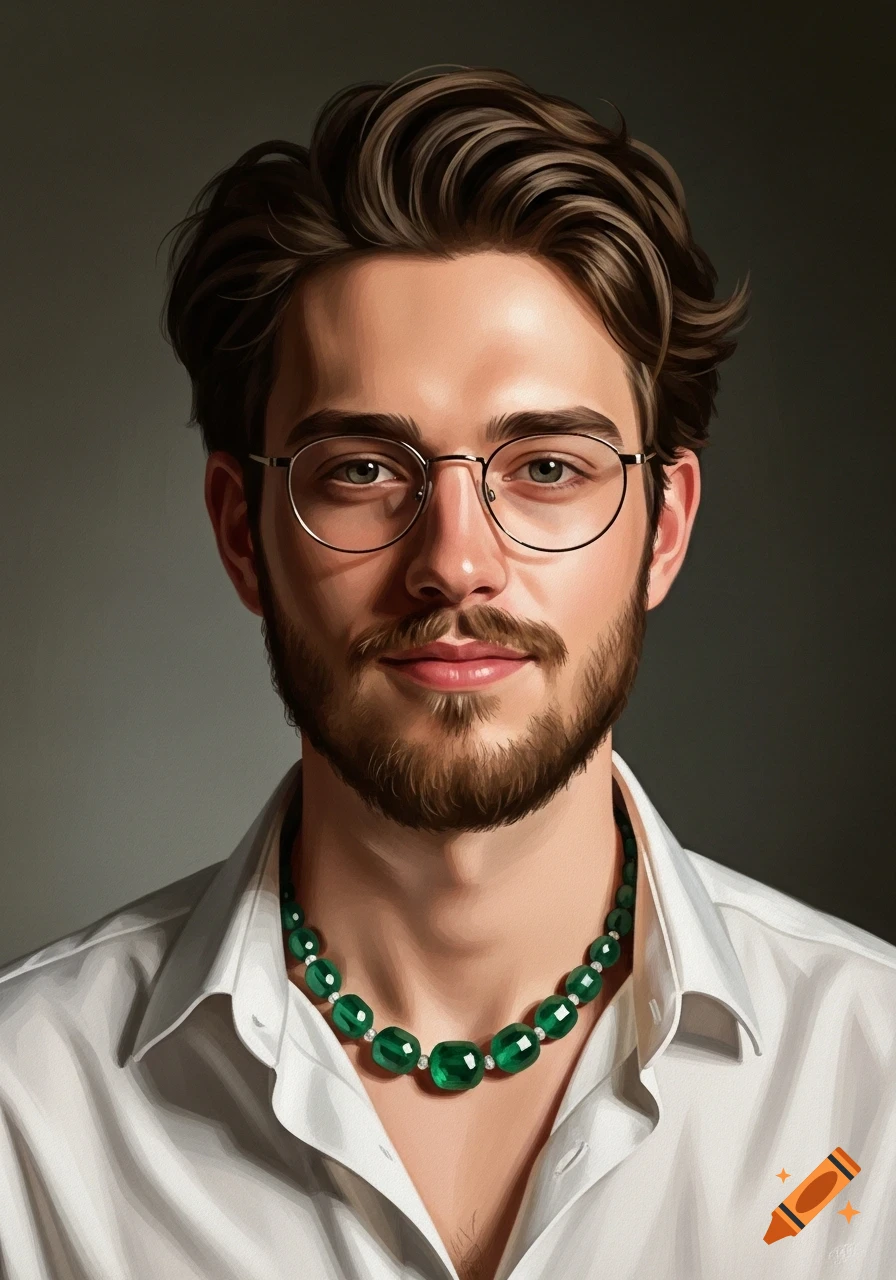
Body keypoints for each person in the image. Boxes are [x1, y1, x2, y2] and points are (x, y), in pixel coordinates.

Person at [1, 65, 894, 1280]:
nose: (455, 563)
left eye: (545, 468)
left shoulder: (875, 1079)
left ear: (664, 527)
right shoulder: (24, 1115)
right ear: (238, 529)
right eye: (362, 469)